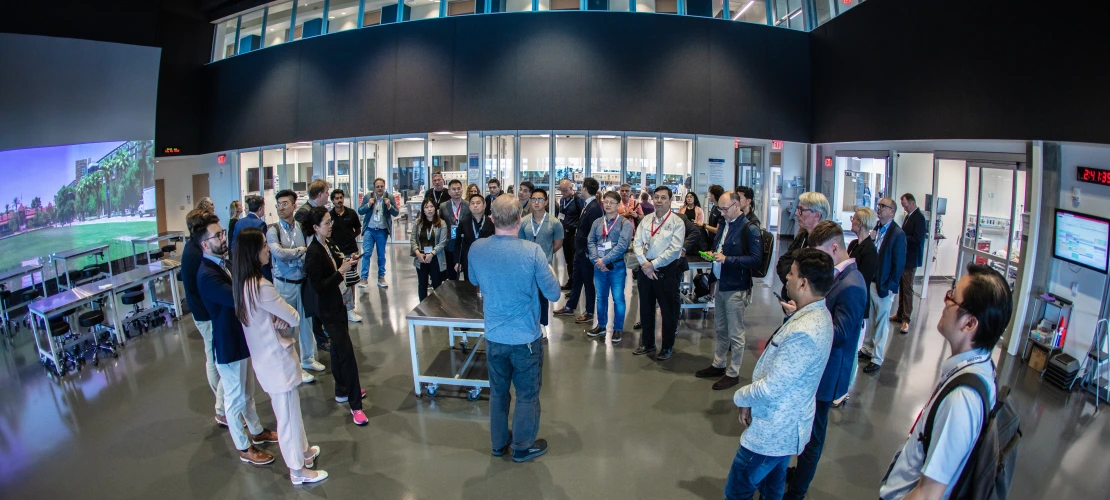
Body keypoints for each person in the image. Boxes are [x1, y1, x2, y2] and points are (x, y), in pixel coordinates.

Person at [879, 263, 1011, 500]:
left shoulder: (961, 400)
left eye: (952, 298)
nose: (945, 302)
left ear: (970, 323)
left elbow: (927, 494)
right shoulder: (979, 368)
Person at [726, 249, 835, 500]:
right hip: (785, 428)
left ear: (804, 283)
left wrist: (741, 397)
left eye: (792, 273)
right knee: (772, 489)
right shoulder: (817, 315)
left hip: (773, 429)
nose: (786, 277)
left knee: (737, 489)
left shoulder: (805, 332)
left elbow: (771, 388)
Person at [467, 194, 562, 463]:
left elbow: (474, 278)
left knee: (497, 393)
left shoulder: (477, 248)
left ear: (491, 218)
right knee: (526, 395)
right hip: (525, 341)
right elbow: (553, 294)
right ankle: (522, 446)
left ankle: (498, 443)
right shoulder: (532, 252)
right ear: (520, 220)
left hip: (494, 337)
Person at [231, 228, 328, 485]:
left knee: (291, 412)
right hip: (277, 361)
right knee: (286, 418)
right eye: (264, 245)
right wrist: (279, 316)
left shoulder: (243, 284)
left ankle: (304, 452)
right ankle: (297, 470)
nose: (268, 249)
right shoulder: (262, 287)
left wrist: (276, 317)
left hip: (268, 361)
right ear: (254, 252)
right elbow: (294, 316)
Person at [783, 222, 867, 500]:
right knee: (806, 430)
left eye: (821, 255)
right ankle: (797, 474)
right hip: (816, 368)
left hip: (827, 373)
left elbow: (841, 334)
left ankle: (798, 491)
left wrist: (805, 311)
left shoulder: (852, 285)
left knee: (814, 437)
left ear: (834, 248)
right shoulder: (838, 277)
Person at [194, 212, 279, 465]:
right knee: (234, 398)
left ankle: (257, 431)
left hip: (242, 338)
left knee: (248, 392)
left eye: (222, 233)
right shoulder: (207, 274)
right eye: (217, 236)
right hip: (228, 342)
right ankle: (244, 447)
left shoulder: (225, 263)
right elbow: (237, 297)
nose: (223, 238)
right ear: (204, 244)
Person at [302, 207, 368, 426]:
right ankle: (356, 405)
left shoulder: (328, 243)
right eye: (327, 223)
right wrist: (340, 271)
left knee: (339, 350)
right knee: (347, 354)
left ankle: (342, 390)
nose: (331, 226)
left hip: (339, 304)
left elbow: (338, 264)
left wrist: (349, 261)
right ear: (315, 227)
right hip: (327, 310)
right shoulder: (313, 253)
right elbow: (319, 286)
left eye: (330, 222)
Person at [695, 191, 763, 391]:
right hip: (722, 283)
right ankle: (718, 364)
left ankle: (733, 373)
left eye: (724, 209)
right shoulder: (724, 225)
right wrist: (713, 255)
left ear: (737, 206)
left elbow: (755, 260)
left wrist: (727, 259)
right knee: (721, 328)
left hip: (736, 286)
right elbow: (721, 249)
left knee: (735, 332)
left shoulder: (749, 229)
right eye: (719, 209)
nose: (721, 213)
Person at [267, 189, 323, 381]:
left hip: (302, 282)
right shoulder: (273, 230)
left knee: (306, 322)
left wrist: (295, 253)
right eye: (278, 204)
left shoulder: (300, 227)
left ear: (294, 205)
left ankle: (307, 359)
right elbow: (279, 253)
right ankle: (292, 367)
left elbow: (310, 251)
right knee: (286, 326)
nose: (280, 208)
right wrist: (299, 250)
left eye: (284, 204)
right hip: (284, 284)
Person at [181, 209, 226, 426]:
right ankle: (221, 407)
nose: (221, 238)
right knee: (216, 358)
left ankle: (223, 404)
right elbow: (200, 288)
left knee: (216, 357)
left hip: (207, 311)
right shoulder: (194, 254)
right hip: (205, 313)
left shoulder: (194, 249)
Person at [632, 186, 685, 361]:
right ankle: (648, 343)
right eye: (657, 197)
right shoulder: (646, 220)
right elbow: (637, 243)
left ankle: (667, 346)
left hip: (666, 271)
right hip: (645, 269)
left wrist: (653, 265)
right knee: (646, 309)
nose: (659, 201)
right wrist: (645, 264)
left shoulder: (677, 222)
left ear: (670, 201)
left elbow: (674, 250)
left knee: (667, 310)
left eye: (663, 198)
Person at [860, 197, 907, 374]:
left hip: (884, 285)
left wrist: (890, 286)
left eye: (883, 206)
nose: (879, 209)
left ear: (892, 211)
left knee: (881, 322)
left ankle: (877, 358)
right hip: (872, 280)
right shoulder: (877, 228)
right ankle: (867, 348)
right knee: (871, 318)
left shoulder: (897, 234)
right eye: (878, 206)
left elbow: (899, 263)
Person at [840, 206, 879, 407]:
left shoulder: (870, 251)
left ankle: (844, 390)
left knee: (852, 348)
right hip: (845, 301)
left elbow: (860, 280)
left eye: (854, 218)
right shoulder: (855, 244)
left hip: (856, 305)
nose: (851, 221)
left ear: (861, 223)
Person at [585, 191, 634, 343]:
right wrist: (596, 260)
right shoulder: (597, 222)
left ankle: (618, 329)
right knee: (601, 298)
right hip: (599, 267)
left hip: (616, 267)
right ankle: (601, 326)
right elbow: (591, 241)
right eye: (606, 201)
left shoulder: (624, 223)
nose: (608, 205)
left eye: (612, 202)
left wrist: (605, 260)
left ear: (618, 205)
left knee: (618, 299)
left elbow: (622, 245)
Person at [554, 177, 603, 324]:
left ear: (585, 189)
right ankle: (570, 307)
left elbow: (595, 233)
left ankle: (589, 312)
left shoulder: (594, 208)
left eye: (582, 186)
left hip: (586, 252)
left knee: (588, 283)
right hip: (580, 249)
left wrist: (590, 252)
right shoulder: (588, 205)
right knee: (576, 280)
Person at [294, 180, 333, 351]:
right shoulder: (304, 214)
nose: (328, 195)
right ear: (319, 194)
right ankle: (320, 338)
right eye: (326, 192)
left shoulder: (317, 212)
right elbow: (304, 240)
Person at [519, 188, 564, 334]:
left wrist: (546, 256)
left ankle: (543, 324)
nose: (536, 202)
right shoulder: (524, 221)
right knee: (527, 294)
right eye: (533, 199)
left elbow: (557, 243)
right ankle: (528, 322)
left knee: (543, 296)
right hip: (525, 265)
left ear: (546, 202)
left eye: (540, 199)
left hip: (545, 265)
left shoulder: (554, 222)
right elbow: (520, 242)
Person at [776, 192, 830, 304]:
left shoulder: (824, 244)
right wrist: (793, 277)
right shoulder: (802, 235)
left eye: (801, 210)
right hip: (790, 303)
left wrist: (792, 276)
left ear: (817, 215)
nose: (796, 213)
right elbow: (782, 262)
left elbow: (812, 282)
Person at [893, 193, 927, 334]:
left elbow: (917, 238)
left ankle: (906, 319)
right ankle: (900, 314)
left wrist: (901, 237)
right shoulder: (908, 216)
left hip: (911, 259)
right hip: (904, 258)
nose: (904, 207)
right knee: (902, 286)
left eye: (905, 204)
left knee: (907, 288)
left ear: (912, 203)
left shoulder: (919, 218)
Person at [328, 189, 363, 323]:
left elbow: (358, 229)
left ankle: (350, 308)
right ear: (333, 201)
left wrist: (350, 238)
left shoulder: (351, 213)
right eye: (336, 198)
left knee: (351, 281)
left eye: (341, 197)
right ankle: (342, 307)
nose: (339, 200)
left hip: (352, 251)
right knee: (340, 281)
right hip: (338, 254)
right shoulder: (330, 216)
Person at [357, 178, 398, 289]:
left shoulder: (389, 197)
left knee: (381, 255)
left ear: (384, 187)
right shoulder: (368, 197)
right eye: (377, 187)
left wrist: (389, 206)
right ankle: (364, 278)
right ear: (374, 188)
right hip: (369, 229)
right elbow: (360, 211)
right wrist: (368, 205)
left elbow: (396, 212)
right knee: (366, 254)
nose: (380, 189)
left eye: (381, 186)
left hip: (382, 230)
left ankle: (381, 277)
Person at [412, 198, 448, 301]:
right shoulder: (418, 223)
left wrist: (432, 254)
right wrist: (417, 253)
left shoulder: (442, 223)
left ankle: (436, 309)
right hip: (421, 258)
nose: (429, 209)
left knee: (437, 284)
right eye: (426, 207)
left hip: (435, 257)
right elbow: (413, 239)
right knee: (422, 284)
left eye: (431, 206)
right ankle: (422, 308)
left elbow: (442, 242)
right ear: (423, 209)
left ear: (435, 208)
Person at [454, 193, 495, 279]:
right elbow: (458, 243)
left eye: (478, 203)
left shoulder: (491, 223)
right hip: (468, 260)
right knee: (469, 287)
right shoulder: (463, 222)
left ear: (484, 205)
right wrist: (458, 261)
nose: (475, 205)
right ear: (469, 207)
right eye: (472, 203)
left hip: (486, 260)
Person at [554, 179, 584, 290]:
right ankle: (570, 281)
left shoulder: (578, 199)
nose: (562, 193)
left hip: (574, 234)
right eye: (561, 190)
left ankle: (576, 284)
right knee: (568, 259)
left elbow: (582, 216)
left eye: (565, 190)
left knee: (575, 260)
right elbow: (562, 215)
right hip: (565, 233)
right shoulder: (562, 200)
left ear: (571, 189)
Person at [438, 179, 469, 282]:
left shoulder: (468, 205)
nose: (457, 191)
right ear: (449, 191)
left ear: (462, 190)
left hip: (464, 242)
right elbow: (440, 223)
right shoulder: (443, 206)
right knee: (451, 274)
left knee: (467, 273)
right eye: (454, 189)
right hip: (450, 242)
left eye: (459, 189)